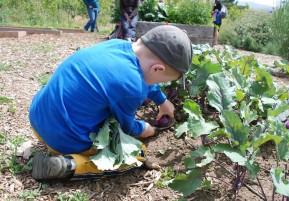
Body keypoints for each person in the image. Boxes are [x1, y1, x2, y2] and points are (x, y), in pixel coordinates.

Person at [29, 25, 193, 180]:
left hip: (38, 117)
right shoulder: (132, 86)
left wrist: (162, 100)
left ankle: (61, 152)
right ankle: (68, 165)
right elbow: (128, 127)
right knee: (136, 155)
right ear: (157, 69)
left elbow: (145, 78)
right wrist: (145, 128)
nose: (159, 84)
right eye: (164, 80)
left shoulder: (118, 45)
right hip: (62, 140)